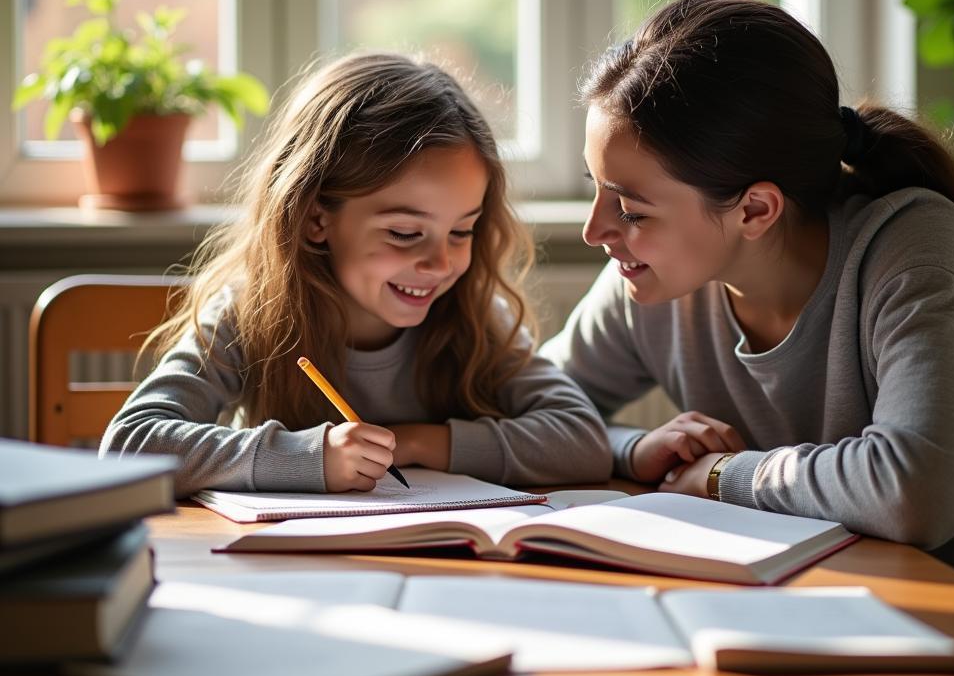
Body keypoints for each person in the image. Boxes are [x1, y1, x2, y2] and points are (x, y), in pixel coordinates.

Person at [541, 0, 954, 600]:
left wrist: (722, 475)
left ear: (756, 209)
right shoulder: (655, 275)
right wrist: (635, 449)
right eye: (598, 190)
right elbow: (530, 408)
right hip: (798, 615)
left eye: (632, 209)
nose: (595, 231)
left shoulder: (908, 245)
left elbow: (919, 492)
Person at [101, 53, 611, 495]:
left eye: (462, 232)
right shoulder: (247, 314)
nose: (441, 263)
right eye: (405, 234)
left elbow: (581, 441)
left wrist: (413, 441)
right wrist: (309, 457)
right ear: (316, 218)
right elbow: (131, 443)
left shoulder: (478, 316)